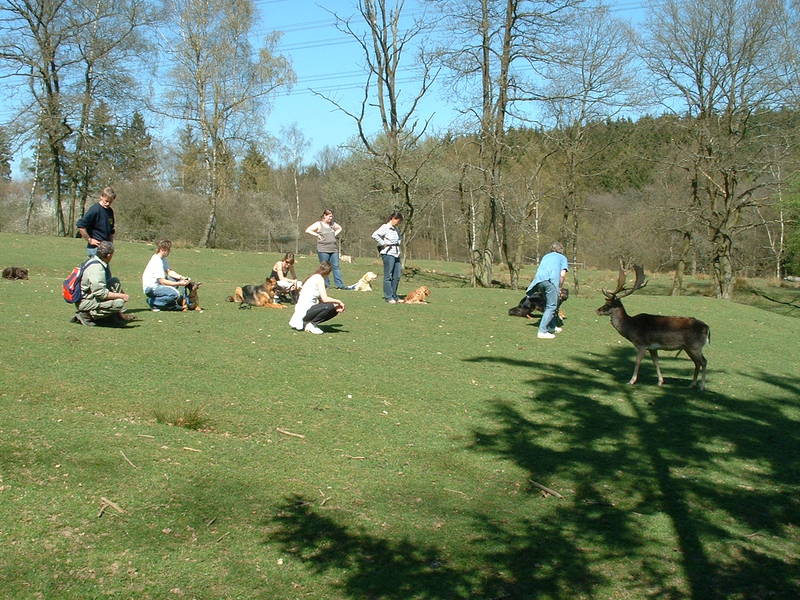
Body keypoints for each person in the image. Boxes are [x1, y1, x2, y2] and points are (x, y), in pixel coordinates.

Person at [71, 241, 131, 326]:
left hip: (88, 295)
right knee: (119, 303)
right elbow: (100, 293)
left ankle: (114, 316)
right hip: (85, 301)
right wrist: (121, 296)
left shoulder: (93, 260)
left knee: (114, 282)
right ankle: (87, 315)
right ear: (109, 255)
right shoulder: (97, 268)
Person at [525, 241, 569, 339]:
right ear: (561, 250)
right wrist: (559, 288)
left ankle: (551, 327)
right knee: (552, 306)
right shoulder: (562, 258)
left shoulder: (546, 256)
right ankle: (542, 331)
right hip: (550, 281)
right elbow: (562, 275)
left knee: (548, 305)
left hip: (539, 281)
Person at [288, 261, 345, 334]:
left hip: (305, 309)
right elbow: (325, 299)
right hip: (305, 311)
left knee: (334, 308)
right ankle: (311, 324)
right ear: (328, 272)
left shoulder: (313, 277)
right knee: (330, 306)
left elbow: (321, 299)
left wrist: (336, 305)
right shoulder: (319, 279)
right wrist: (339, 302)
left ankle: (308, 323)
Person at [142, 239, 191, 311]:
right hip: (151, 288)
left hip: (156, 286)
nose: (169, 251)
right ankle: (153, 302)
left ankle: (170, 305)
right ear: (162, 249)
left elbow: (169, 271)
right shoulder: (157, 261)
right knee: (175, 294)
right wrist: (179, 283)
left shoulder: (162, 258)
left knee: (173, 279)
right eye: (168, 250)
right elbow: (162, 281)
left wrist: (182, 277)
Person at [305, 209, 345, 289]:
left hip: (333, 249)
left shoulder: (332, 224)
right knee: (324, 267)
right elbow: (307, 230)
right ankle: (326, 285)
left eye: (332, 216)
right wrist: (317, 235)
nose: (331, 218)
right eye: (329, 216)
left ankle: (340, 285)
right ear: (324, 216)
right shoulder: (319, 224)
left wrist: (334, 234)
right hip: (323, 249)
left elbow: (339, 228)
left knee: (336, 267)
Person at [371, 212, 403, 303]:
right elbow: (375, 235)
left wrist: (398, 242)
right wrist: (383, 243)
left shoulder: (396, 229)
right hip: (388, 253)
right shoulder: (385, 227)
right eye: (397, 220)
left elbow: (399, 238)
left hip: (396, 253)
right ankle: (388, 296)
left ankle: (394, 295)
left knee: (397, 276)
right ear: (392, 218)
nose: (398, 223)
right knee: (388, 275)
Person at [76, 187, 116, 256]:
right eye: (106, 201)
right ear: (101, 197)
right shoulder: (95, 210)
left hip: (106, 248)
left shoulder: (110, 211)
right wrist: (89, 240)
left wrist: (111, 244)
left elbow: (111, 230)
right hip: (95, 249)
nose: (108, 204)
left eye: (110, 202)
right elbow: (81, 226)